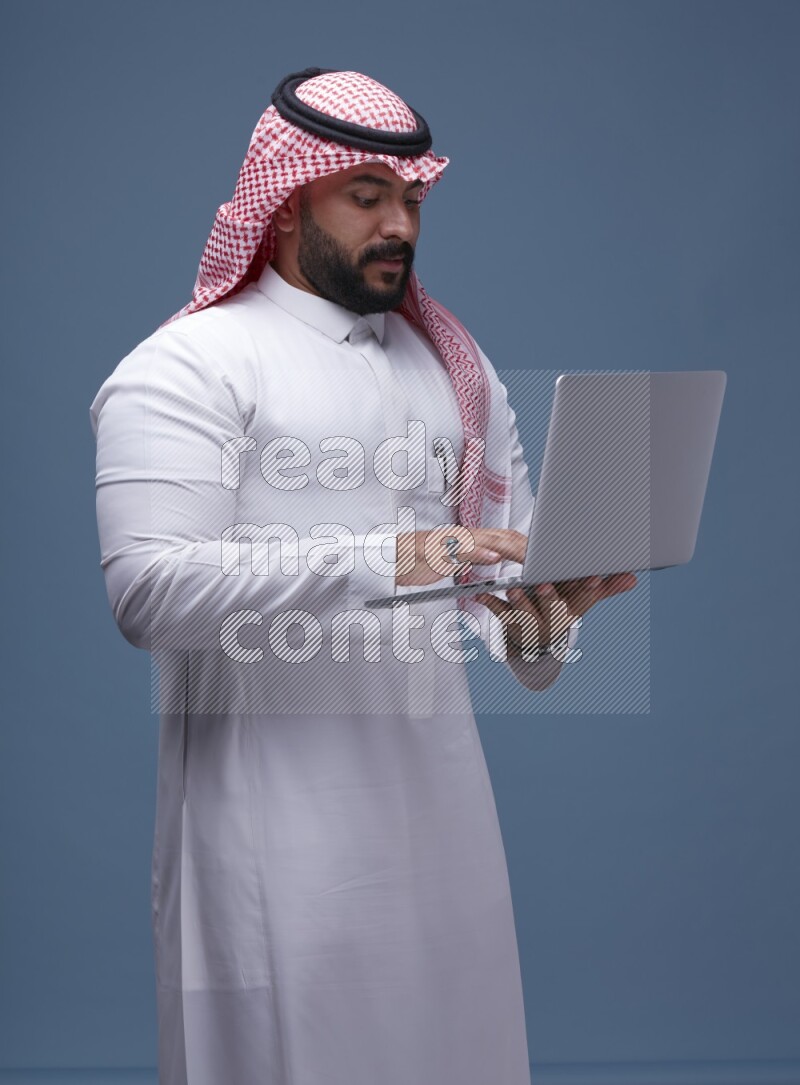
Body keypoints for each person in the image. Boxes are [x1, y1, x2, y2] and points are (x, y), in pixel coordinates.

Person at [90, 68, 635, 1085]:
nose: (399, 225)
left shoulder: (450, 370)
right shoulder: (188, 368)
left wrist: (546, 621)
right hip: (274, 846)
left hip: (446, 835)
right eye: (368, 196)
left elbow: (503, 632)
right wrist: (393, 552)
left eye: (413, 199)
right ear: (290, 197)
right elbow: (147, 591)